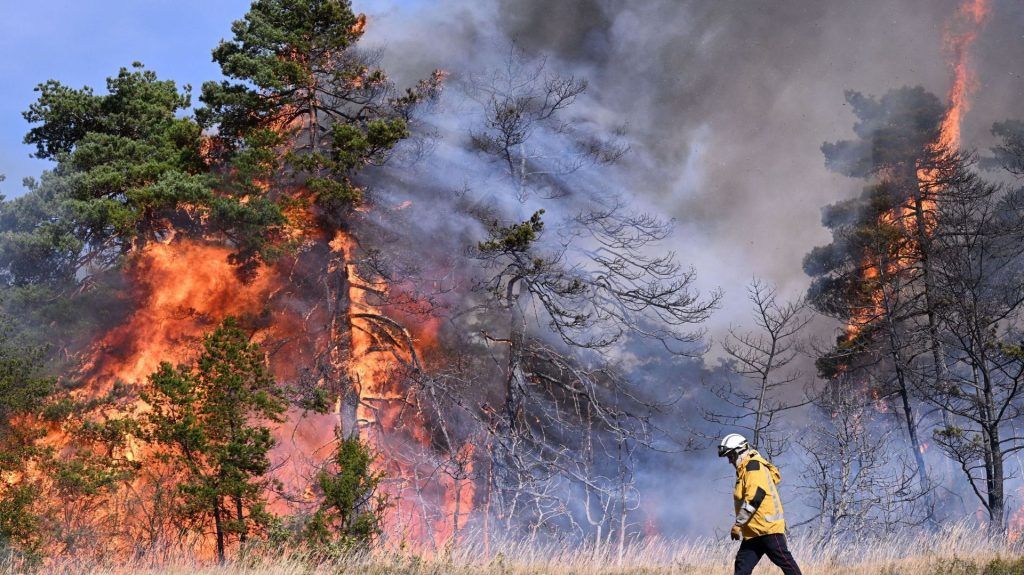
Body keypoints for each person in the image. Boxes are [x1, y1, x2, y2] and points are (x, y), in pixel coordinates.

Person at [718, 433, 803, 575]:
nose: (729, 461)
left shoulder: (754, 468)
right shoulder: (745, 470)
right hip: (753, 531)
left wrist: (739, 524)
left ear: (740, 452)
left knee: (785, 562)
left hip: (768, 529)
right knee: (742, 566)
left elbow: (755, 498)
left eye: (731, 456)